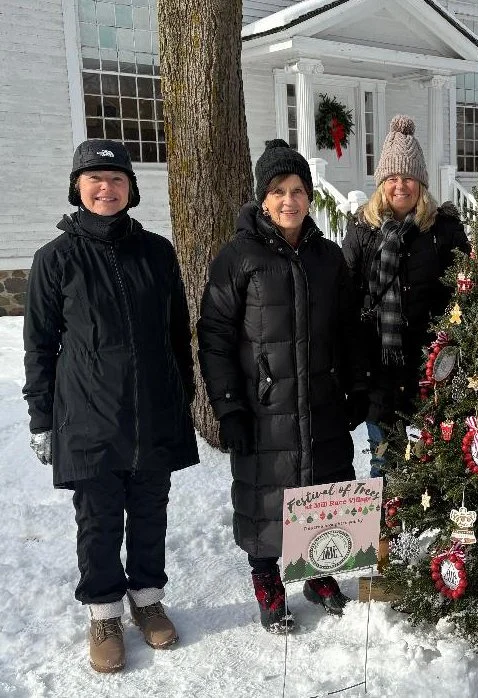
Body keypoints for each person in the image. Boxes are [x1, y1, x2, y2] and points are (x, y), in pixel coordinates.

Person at [23, 139, 199, 673]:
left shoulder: (157, 252)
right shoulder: (55, 260)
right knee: (98, 520)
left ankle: (146, 599)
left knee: (150, 511)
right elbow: (39, 345)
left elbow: (176, 334)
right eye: (95, 178)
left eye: (117, 178)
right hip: (88, 416)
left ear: (131, 188)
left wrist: (183, 395)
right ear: (78, 188)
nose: (107, 188)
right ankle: (103, 613)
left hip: (153, 412)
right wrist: (40, 419)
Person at [197, 139, 366, 634]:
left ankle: (319, 572)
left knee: (322, 487)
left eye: (297, 190)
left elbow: (348, 327)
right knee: (267, 494)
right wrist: (228, 406)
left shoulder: (328, 258)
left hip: (320, 401)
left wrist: (355, 386)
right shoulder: (237, 258)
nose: (288, 200)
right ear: (262, 199)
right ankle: (267, 577)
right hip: (263, 404)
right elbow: (215, 336)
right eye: (277, 191)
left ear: (309, 197)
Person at [342, 115, 469, 476]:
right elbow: (347, 299)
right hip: (379, 372)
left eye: (408, 177)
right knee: (385, 461)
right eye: (393, 178)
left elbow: (464, 290)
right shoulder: (362, 231)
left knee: (435, 464)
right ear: (382, 183)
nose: (401, 186)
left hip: (432, 368)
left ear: (421, 183)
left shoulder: (444, 230)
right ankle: (387, 531)